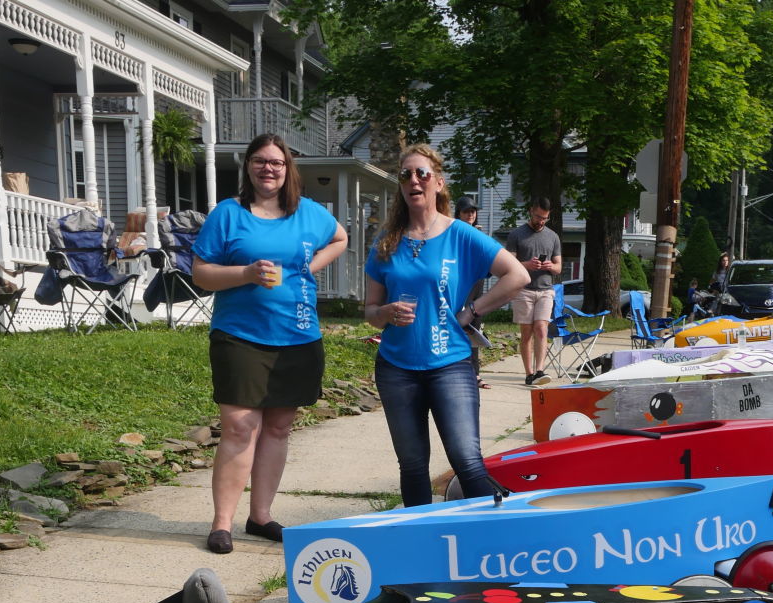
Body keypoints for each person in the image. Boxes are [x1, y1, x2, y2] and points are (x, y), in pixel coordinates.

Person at [191, 133, 347, 554]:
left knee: (278, 427)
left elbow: (341, 238)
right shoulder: (228, 214)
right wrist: (244, 274)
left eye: (276, 162)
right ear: (248, 167)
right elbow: (201, 273)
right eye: (260, 161)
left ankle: (260, 516)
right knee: (240, 426)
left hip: (297, 334)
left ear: (288, 169)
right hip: (239, 335)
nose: (268, 168)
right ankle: (222, 523)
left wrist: (309, 268)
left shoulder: (309, 214)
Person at [363, 145, 529, 505]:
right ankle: (422, 546)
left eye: (421, 173)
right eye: (405, 175)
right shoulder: (386, 241)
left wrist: (473, 309)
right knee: (412, 465)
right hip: (396, 367)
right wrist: (384, 313)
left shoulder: (460, 234)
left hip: (450, 365)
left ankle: (486, 545)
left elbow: (517, 275)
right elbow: (370, 309)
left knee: (467, 462)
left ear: (438, 183)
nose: (413, 181)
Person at [505, 198, 561, 385]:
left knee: (541, 328)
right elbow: (509, 265)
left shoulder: (553, 236)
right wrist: (527, 265)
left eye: (545, 218)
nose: (541, 221)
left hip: (546, 289)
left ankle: (539, 370)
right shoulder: (516, 234)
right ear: (531, 211)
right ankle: (529, 373)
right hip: (524, 290)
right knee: (527, 332)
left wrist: (550, 266)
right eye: (538, 217)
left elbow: (559, 267)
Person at [454, 195, 490, 389]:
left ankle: (475, 374)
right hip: (462, 284)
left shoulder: (479, 234)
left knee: (475, 329)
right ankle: (458, 371)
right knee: (460, 326)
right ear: (458, 213)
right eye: (467, 211)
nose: (470, 214)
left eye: (473, 211)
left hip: (478, 284)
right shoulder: (453, 232)